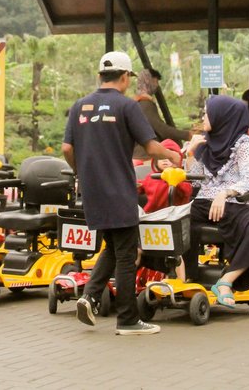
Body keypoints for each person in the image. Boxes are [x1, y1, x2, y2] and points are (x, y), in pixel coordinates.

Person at [62, 51, 182, 336]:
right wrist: (174, 157)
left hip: (92, 190)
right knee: (127, 254)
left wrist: (80, 172)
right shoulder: (127, 107)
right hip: (119, 190)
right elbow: (152, 147)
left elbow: (67, 149)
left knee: (113, 248)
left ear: (100, 76)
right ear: (125, 77)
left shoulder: (80, 106)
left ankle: (89, 296)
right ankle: (128, 319)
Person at [183, 95, 249, 308]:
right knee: (179, 218)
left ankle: (226, 281)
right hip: (206, 201)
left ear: (223, 116)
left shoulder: (244, 144)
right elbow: (194, 184)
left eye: (207, 112)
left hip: (238, 201)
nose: (204, 116)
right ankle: (185, 278)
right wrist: (191, 153)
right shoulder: (205, 142)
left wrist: (226, 193)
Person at [132, 68, 190, 161]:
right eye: (155, 81)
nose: (157, 85)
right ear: (148, 81)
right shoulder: (145, 103)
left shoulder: (136, 103)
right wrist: (187, 135)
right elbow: (160, 129)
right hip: (144, 157)